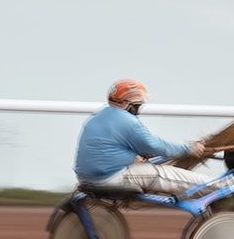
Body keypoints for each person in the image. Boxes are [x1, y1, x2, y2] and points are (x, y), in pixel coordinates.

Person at [73, 78, 213, 194]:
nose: (138, 110)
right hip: (109, 178)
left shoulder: (98, 116)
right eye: (138, 105)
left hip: (85, 177)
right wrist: (189, 149)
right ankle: (219, 185)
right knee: (167, 174)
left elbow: (111, 147)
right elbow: (156, 146)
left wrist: (134, 157)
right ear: (128, 105)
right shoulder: (128, 121)